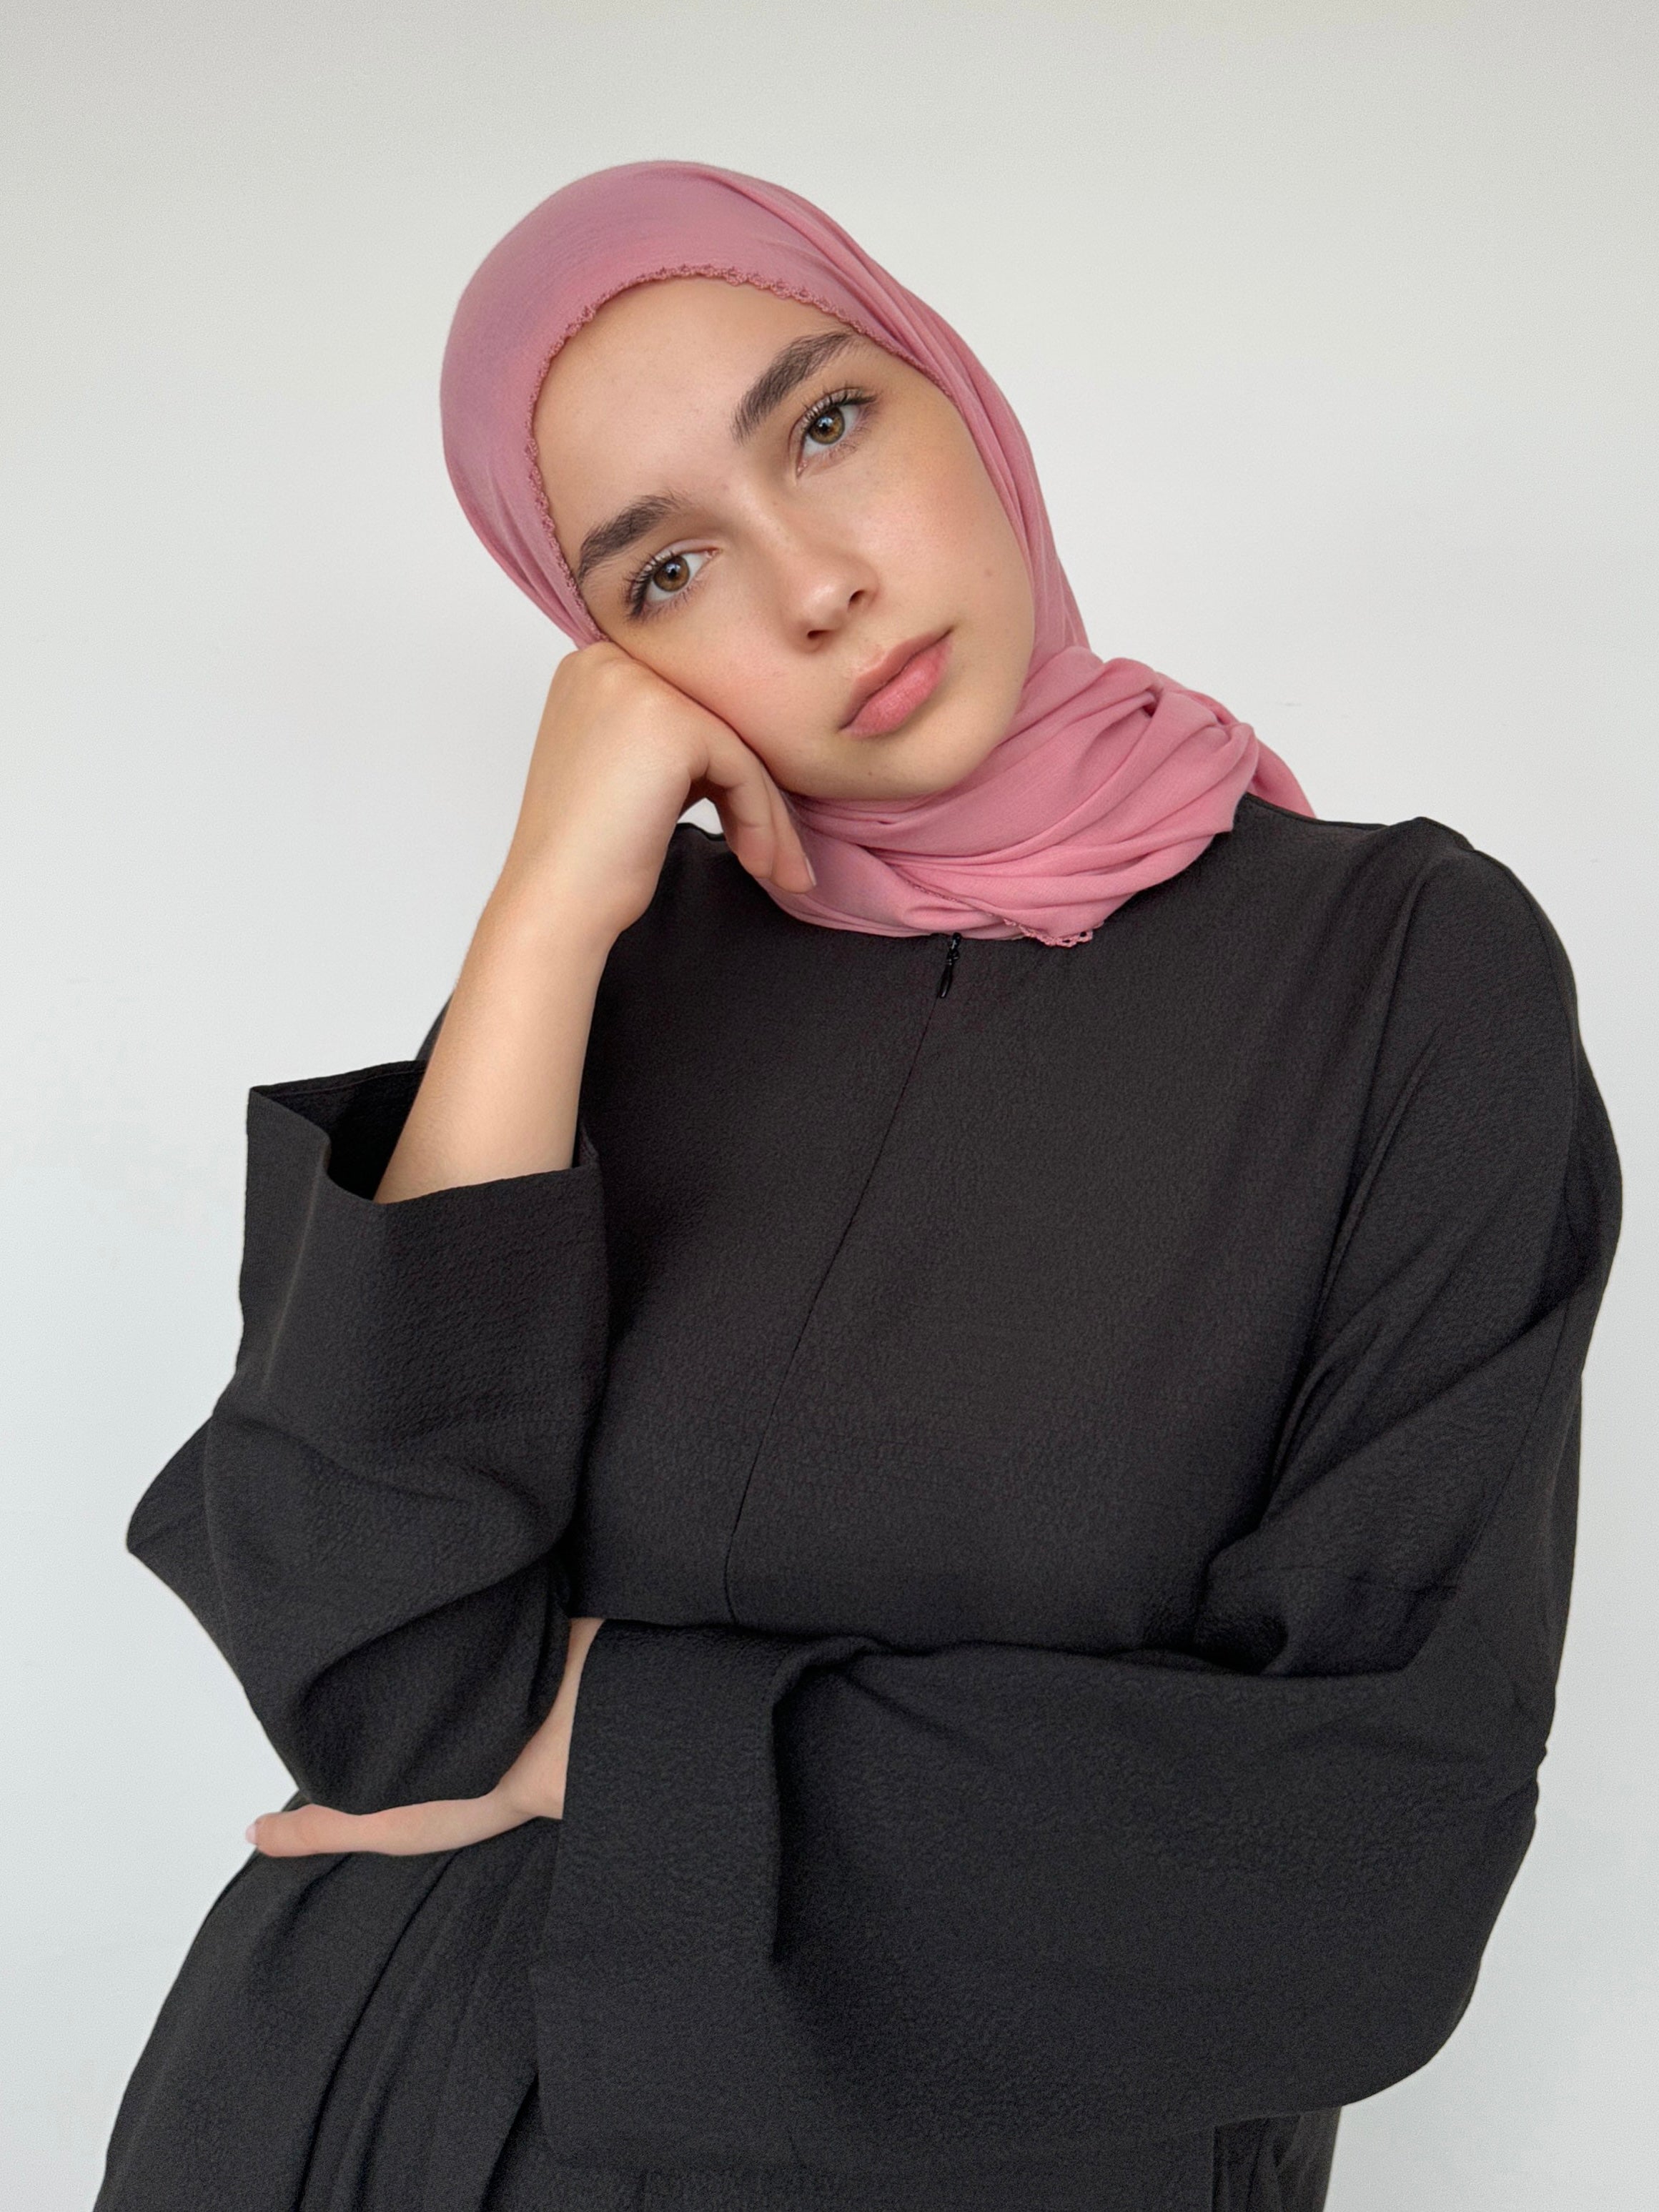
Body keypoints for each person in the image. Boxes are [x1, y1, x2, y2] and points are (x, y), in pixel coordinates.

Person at [96, 163, 1620, 2212]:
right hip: (346, 2117)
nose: (811, 585)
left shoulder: (1399, 973)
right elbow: (356, 1657)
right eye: (664, 571)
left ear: (960, 400)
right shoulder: (619, 977)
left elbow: (1366, 1847)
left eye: (825, 424)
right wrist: (543, 917)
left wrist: (596, 1739)